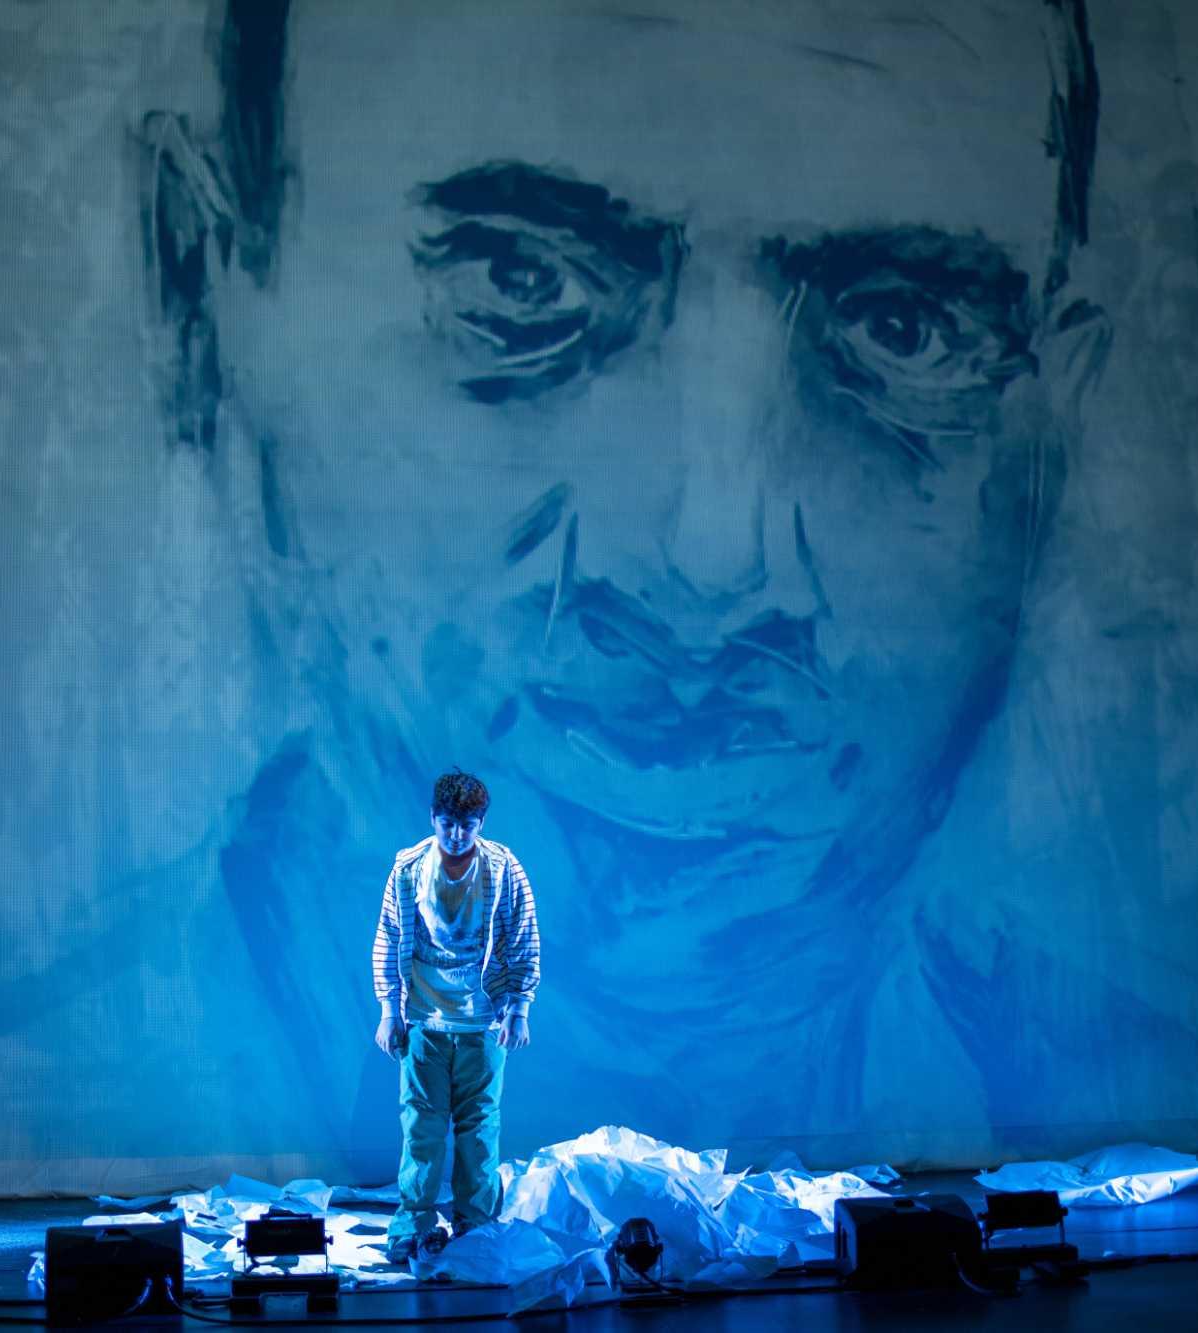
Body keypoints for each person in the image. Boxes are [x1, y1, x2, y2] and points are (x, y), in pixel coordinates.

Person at [141, 0, 1119, 1167]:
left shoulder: (1128, 1112)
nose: (712, 567)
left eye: (903, 330)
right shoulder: (72, 1108)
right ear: (201, 305)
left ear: (1052, 441)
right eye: (518, 282)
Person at [371, 768, 539, 1262]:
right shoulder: (408, 869)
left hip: (482, 1019)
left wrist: (520, 1008)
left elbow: (522, 936)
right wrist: (388, 1010)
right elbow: (387, 938)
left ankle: (476, 1224)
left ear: (481, 823)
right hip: (425, 1016)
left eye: (468, 824)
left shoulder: (504, 869)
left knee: (479, 1129)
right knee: (421, 1128)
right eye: (448, 823)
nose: (457, 834)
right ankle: (413, 1224)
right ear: (433, 818)